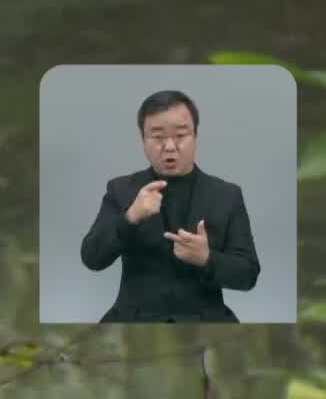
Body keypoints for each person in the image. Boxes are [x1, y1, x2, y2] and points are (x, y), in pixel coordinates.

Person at [78, 90, 261, 322]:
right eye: (157, 137)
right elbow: (92, 258)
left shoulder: (227, 195)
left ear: (195, 135)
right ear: (143, 139)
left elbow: (248, 275)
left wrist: (207, 258)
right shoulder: (121, 189)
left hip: (205, 320)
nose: (170, 147)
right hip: (134, 319)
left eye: (181, 135)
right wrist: (130, 218)